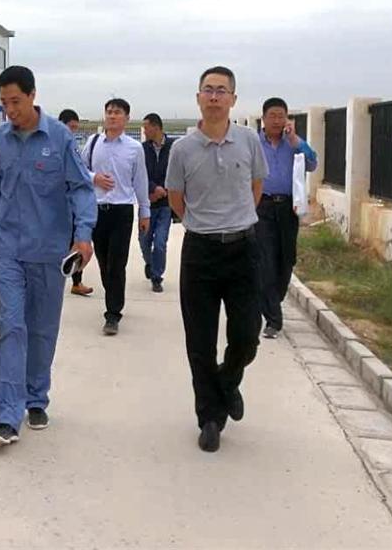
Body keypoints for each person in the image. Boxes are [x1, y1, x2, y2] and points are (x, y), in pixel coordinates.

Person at [0, 66, 96, 445]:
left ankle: (36, 398)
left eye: (15, 101)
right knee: (12, 325)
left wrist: (83, 235)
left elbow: (81, 188)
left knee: (42, 329)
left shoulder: (59, 138)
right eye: (4, 103)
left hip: (49, 250)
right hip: (8, 250)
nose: (10, 110)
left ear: (32, 96)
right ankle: (6, 415)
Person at [166, 66, 268, 453]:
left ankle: (227, 382)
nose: (214, 96)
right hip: (200, 252)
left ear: (233, 99)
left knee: (247, 335)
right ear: (198, 98)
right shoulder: (182, 149)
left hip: (243, 249)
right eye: (207, 89)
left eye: (221, 90)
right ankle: (209, 417)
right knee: (200, 340)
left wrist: (235, 220)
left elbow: (256, 187)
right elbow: (176, 199)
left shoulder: (249, 141)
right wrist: (203, 223)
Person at [81, 98, 150, 336]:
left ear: (126, 118)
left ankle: (112, 314)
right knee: (104, 262)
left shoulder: (134, 148)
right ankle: (113, 295)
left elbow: (140, 181)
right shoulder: (93, 143)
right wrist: (95, 178)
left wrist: (145, 211)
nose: (112, 116)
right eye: (109, 112)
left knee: (117, 264)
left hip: (122, 211)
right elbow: (78, 170)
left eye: (117, 112)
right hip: (97, 210)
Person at [256, 97, 318, 339]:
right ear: (263, 118)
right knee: (266, 262)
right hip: (262, 207)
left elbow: (312, 164)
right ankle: (273, 319)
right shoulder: (255, 143)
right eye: (272, 116)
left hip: (288, 208)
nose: (276, 120)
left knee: (286, 260)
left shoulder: (293, 144)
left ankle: (272, 301)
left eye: (280, 116)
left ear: (287, 118)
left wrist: (296, 141)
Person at [58, 108, 94, 297]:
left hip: (72, 204)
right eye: (71, 127)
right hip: (57, 206)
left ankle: (77, 281)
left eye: (75, 128)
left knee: (76, 243)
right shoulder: (54, 146)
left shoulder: (72, 147)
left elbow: (81, 177)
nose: (72, 131)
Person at [139, 113, 176, 293]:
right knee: (144, 241)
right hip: (147, 203)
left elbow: (178, 172)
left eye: (146, 128)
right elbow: (139, 174)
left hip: (166, 204)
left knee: (160, 242)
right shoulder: (142, 149)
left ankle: (156, 277)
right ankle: (149, 263)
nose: (144, 131)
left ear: (156, 127)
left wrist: (164, 191)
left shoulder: (174, 147)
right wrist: (152, 189)